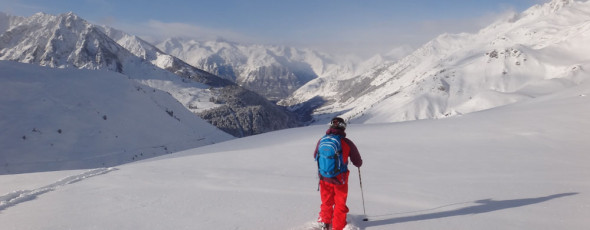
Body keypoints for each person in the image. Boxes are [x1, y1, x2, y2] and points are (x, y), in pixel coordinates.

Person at [314, 117, 363, 230]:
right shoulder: (346, 142)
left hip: (324, 177)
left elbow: (315, 156)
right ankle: (338, 226)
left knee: (326, 201)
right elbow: (357, 162)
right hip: (340, 178)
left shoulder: (322, 140)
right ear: (343, 127)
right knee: (340, 203)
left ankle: (324, 222)